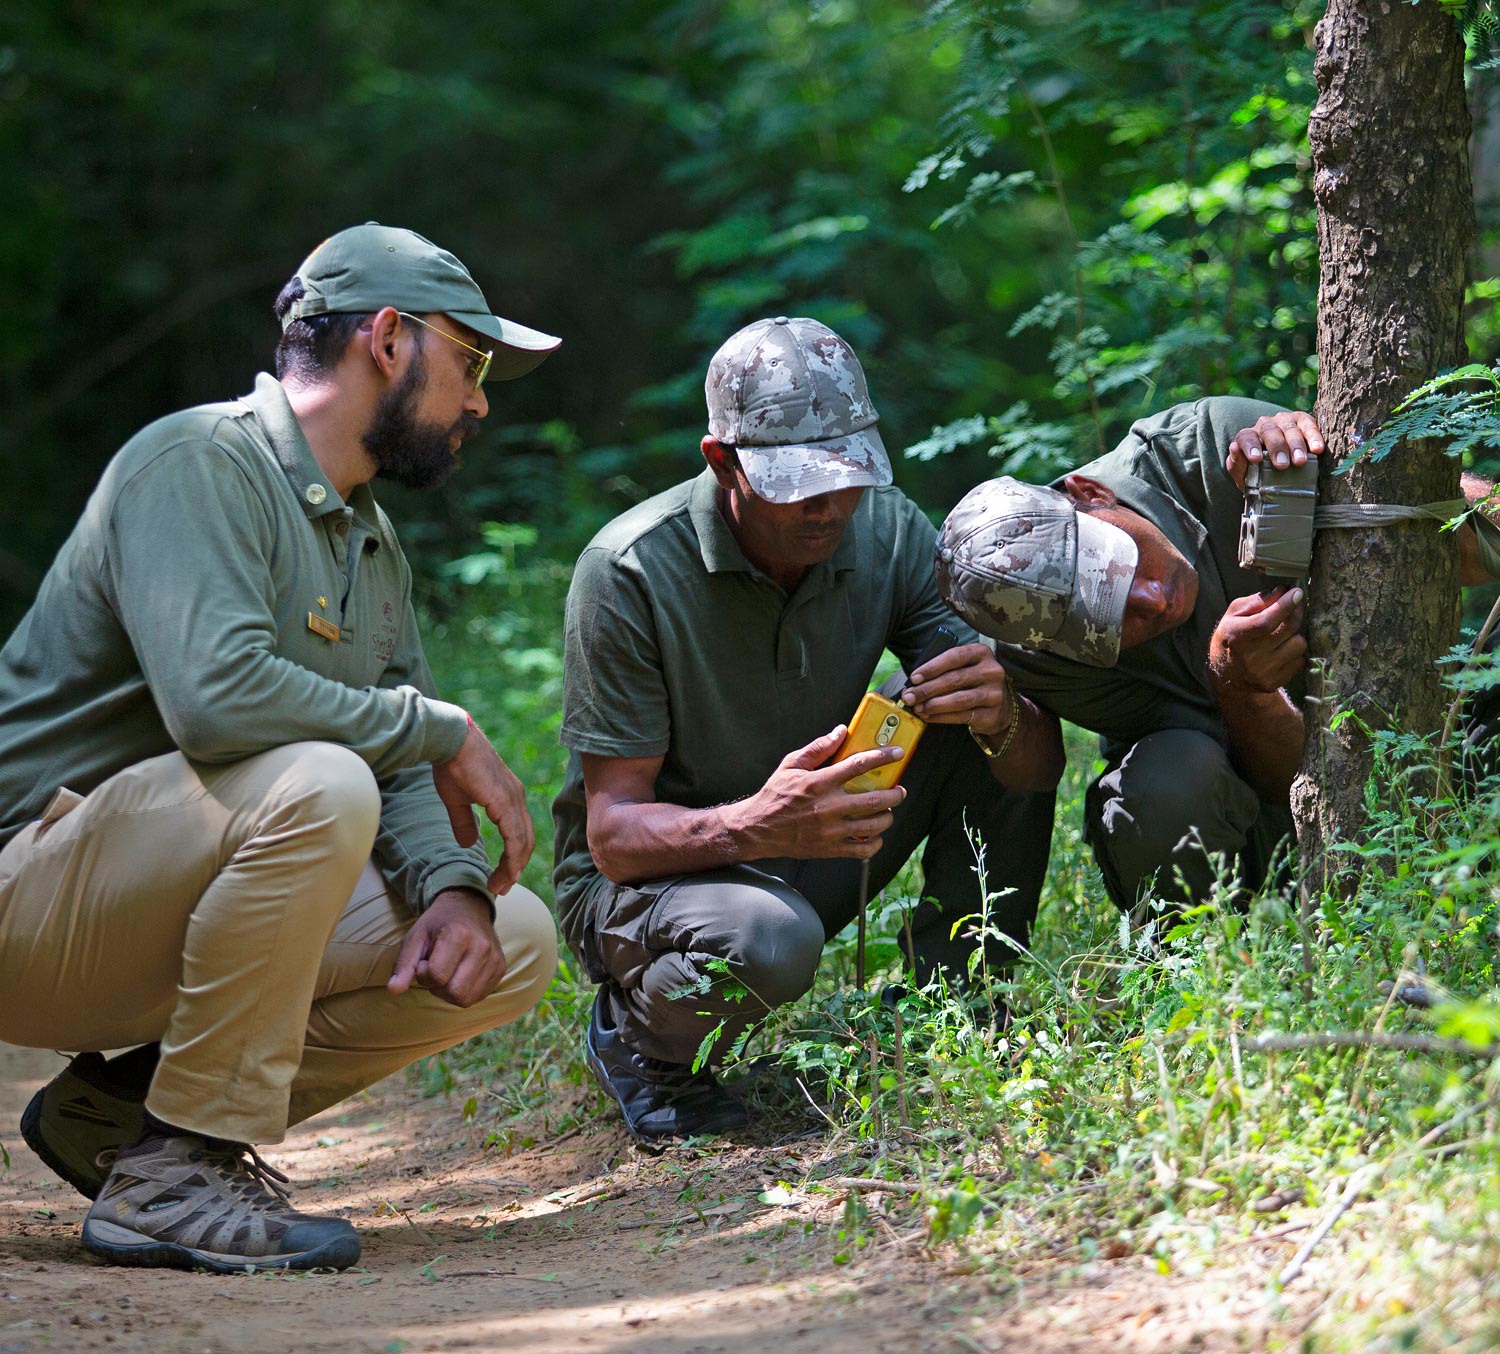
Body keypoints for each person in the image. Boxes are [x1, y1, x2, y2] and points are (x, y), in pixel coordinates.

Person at [0, 223, 562, 1273]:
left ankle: (130, 1124)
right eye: (472, 360)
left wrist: (450, 888)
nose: (482, 399)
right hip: (25, 895)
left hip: (149, 900)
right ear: (389, 340)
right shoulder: (196, 462)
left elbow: (398, 759)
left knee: (513, 938)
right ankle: (181, 1177)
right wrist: (443, 728)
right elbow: (220, 703)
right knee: (316, 780)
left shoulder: (366, 539)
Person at [552, 315, 1061, 1144]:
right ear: (723, 462)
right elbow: (612, 836)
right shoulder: (631, 571)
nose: (830, 508)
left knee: (978, 720)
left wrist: (1005, 710)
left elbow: (1032, 767)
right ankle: (640, 1041)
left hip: (806, 839)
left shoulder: (886, 528)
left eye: (850, 476)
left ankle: (967, 1007)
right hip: (652, 883)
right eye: (798, 486)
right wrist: (763, 819)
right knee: (770, 940)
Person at [935, 397, 1498, 913]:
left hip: (1441, 750)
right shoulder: (1037, 656)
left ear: (1090, 494)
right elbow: (1284, 781)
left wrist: (1338, 480)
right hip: (1261, 835)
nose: (1154, 601)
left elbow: (1472, 536)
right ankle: (1215, 966)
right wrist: (1240, 689)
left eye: (1122, 563)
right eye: (1109, 619)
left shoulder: (1212, 449)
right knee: (1163, 787)